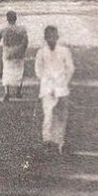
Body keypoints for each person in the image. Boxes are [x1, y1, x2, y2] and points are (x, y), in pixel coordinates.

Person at [34, 25, 74, 154]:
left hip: (62, 87)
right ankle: (47, 141)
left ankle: (59, 142)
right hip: (47, 88)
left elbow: (70, 68)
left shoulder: (64, 51)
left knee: (61, 116)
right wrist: (47, 81)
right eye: (49, 37)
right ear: (45, 38)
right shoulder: (41, 52)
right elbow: (38, 70)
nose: (51, 39)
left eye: (54, 36)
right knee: (49, 115)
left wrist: (64, 81)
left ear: (57, 37)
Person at [0, 10, 29, 101]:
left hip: (7, 53)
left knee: (7, 72)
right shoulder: (22, 29)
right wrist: (22, 49)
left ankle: (7, 93)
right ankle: (18, 91)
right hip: (19, 53)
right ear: (16, 18)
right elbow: (25, 42)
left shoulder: (4, 30)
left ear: (7, 19)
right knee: (19, 72)